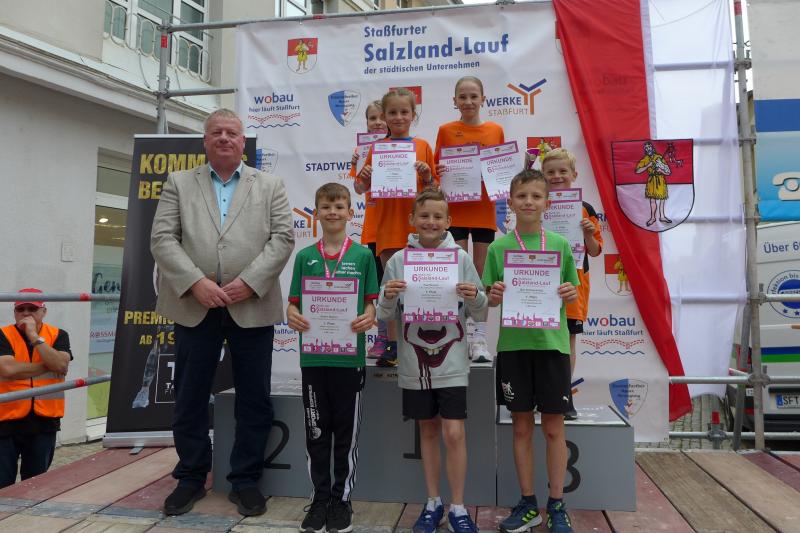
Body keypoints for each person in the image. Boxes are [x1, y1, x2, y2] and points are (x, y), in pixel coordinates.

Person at [150, 108, 294, 517]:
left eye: (232, 132)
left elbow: (283, 238)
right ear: (205, 140)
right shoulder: (179, 182)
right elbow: (162, 238)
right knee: (190, 395)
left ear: (243, 141)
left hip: (251, 302)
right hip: (195, 304)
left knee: (254, 397)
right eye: (217, 132)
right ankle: (191, 477)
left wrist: (250, 281)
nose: (225, 138)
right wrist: (195, 282)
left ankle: (245, 480)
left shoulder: (270, 185)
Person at [378, 190, 487, 533]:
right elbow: (384, 313)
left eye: (438, 216)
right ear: (412, 220)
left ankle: (458, 507)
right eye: (424, 216)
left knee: (454, 433)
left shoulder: (461, 258)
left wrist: (475, 295)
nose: (431, 222)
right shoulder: (398, 261)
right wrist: (388, 296)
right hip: (415, 363)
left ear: (448, 222)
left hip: (452, 362)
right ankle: (433, 503)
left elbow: (481, 311)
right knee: (427, 430)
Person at [482, 170, 579, 533]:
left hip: (552, 347)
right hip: (513, 347)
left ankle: (556, 504)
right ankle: (527, 503)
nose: (528, 202)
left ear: (547, 203)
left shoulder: (560, 245)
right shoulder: (498, 248)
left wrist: (569, 292)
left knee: (554, 428)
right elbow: (489, 299)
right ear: (510, 201)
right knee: (521, 427)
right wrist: (493, 295)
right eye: (522, 196)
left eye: (536, 196)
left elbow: (571, 290)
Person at [286, 183, 378, 533]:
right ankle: (319, 499)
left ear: (351, 212)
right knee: (316, 432)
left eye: (339, 206)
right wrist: (291, 314)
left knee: (345, 435)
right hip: (313, 359)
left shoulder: (363, 256)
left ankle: (341, 500)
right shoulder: (304, 257)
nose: (333, 212)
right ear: (316, 213)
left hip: (348, 360)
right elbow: (293, 304)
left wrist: (369, 315)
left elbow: (371, 304)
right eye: (326, 206)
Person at [355, 88, 438, 368]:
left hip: (420, 230)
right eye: (393, 112)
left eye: (404, 112)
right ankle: (391, 343)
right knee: (391, 288)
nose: (399, 117)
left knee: (420, 287)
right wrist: (364, 176)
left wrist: (427, 175)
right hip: (387, 228)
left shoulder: (423, 146)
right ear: (385, 116)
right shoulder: (377, 149)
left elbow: (435, 190)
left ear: (413, 115)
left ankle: (420, 341)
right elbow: (360, 188)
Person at [434, 76, 505, 364]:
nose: (468, 101)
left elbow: (501, 168)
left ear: (483, 99)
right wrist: (439, 171)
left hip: (485, 211)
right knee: (460, 276)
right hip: (457, 210)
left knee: (481, 276)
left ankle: (480, 339)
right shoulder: (445, 130)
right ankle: (460, 335)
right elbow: (437, 170)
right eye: (462, 97)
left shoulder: (495, 130)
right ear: (454, 101)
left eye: (473, 96)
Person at [540, 148, 603, 419]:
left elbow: (595, 251)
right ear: (542, 175)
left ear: (574, 175)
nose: (556, 176)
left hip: (574, 283)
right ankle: (541, 394)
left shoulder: (586, 209)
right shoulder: (537, 204)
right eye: (550, 172)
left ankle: (564, 396)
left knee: (567, 341)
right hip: (540, 281)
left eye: (562, 171)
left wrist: (588, 234)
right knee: (541, 340)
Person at [0, 288, 71, 488]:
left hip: (44, 421)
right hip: (5, 420)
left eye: (32, 309)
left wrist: (33, 335)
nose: (26, 313)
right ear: (14, 312)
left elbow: (61, 365)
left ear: (43, 311)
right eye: (20, 309)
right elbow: (8, 369)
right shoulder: (3, 334)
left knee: (36, 485)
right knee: (3, 485)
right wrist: (48, 365)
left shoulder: (58, 335)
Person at [350, 101, 390, 360]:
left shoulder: (404, 147)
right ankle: (383, 336)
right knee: (381, 287)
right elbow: (358, 189)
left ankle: (404, 337)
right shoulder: (363, 150)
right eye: (372, 118)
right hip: (375, 229)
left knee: (401, 286)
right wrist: (359, 169)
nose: (377, 122)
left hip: (400, 228)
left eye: (381, 117)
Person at [634, 141, 672, 226]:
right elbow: (637, 170)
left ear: (652, 148)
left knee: (662, 199)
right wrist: (648, 165)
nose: (648, 149)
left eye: (649, 147)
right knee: (652, 200)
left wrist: (661, 170)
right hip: (651, 180)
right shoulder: (645, 160)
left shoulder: (659, 157)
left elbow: (668, 172)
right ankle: (653, 218)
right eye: (646, 148)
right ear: (645, 150)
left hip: (660, 179)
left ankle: (662, 216)